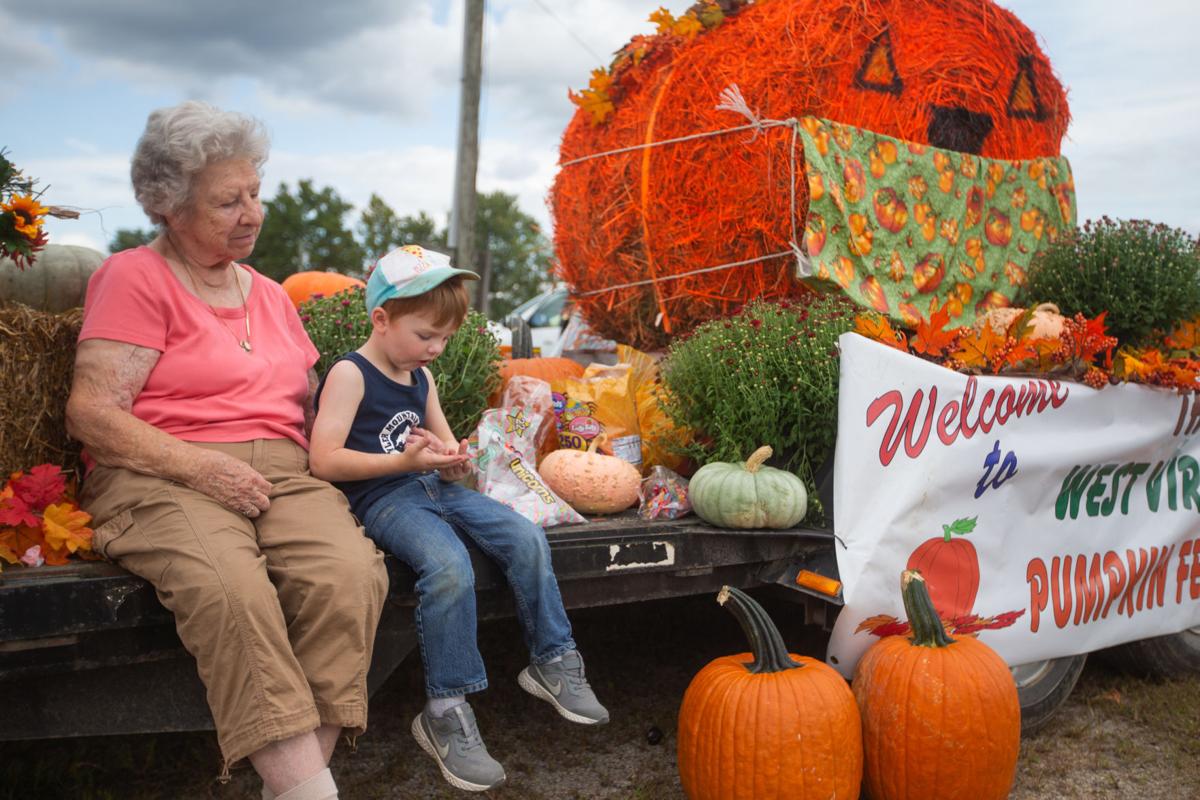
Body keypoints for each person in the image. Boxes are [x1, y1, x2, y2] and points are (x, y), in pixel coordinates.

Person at [65, 101, 388, 800]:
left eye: (255, 194)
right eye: (227, 201)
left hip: (281, 471)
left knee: (349, 574)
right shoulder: (132, 277)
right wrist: (201, 467)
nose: (251, 213)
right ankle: (312, 792)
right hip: (162, 470)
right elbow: (92, 412)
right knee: (231, 592)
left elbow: (303, 406)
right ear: (169, 205)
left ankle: (294, 783)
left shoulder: (270, 295)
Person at [309, 245, 608, 793]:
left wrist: (456, 458)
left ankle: (554, 659)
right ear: (381, 318)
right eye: (426, 335)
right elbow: (323, 460)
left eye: (445, 338)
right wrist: (403, 461)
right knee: (449, 567)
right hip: (382, 499)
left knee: (524, 537)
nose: (436, 349)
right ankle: (446, 710)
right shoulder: (350, 375)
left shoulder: (421, 378)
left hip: (430, 487)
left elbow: (448, 450)